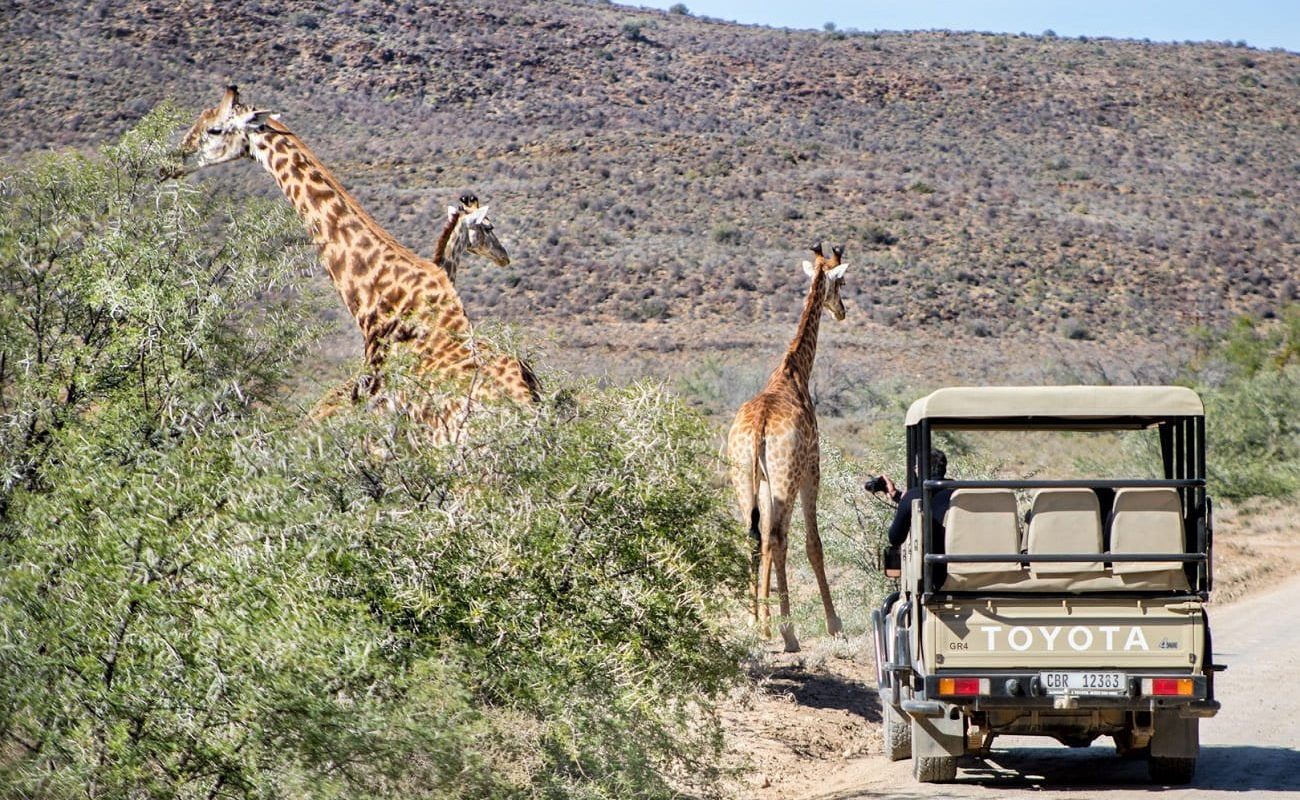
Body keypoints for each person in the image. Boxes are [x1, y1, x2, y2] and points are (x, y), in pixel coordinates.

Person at [870, 449, 952, 548]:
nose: (915, 470)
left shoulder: (913, 495)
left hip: (934, 560)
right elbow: (938, 503)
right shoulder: (960, 491)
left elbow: (895, 538)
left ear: (923, 469)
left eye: (916, 466)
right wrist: (896, 495)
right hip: (962, 556)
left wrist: (904, 500)